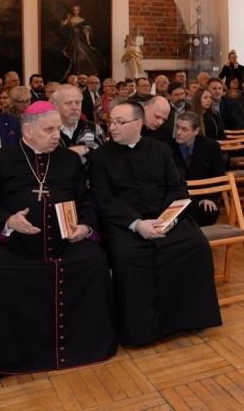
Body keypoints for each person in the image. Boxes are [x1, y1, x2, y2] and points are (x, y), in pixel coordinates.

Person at [0, 101, 116, 381]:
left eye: (58, 128)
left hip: (63, 242)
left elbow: (87, 200)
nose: (56, 135)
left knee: (95, 260)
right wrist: (9, 221)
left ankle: (86, 346)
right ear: (28, 131)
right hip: (15, 246)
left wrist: (84, 225)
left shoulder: (69, 160)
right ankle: (4, 354)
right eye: (49, 130)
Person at [87, 101, 222, 346]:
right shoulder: (100, 157)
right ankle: (141, 330)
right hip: (125, 224)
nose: (112, 128)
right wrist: (137, 224)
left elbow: (177, 187)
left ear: (137, 124)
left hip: (165, 218)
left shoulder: (160, 149)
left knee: (195, 245)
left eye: (119, 122)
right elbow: (103, 199)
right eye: (111, 122)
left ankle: (190, 318)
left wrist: (167, 220)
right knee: (127, 256)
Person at [168, 111, 225, 226]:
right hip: (179, 196)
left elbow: (218, 174)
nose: (178, 132)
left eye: (184, 129)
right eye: (177, 127)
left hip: (204, 194)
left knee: (209, 212)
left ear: (196, 131)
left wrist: (210, 197)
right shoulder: (168, 147)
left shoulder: (211, 146)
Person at [52, 84, 105, 162]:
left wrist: (86, 149)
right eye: (68, 103)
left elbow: (105, 157)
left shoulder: (94, 129)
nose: (74, 107)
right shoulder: (49, 132)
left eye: (77, 103)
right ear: (56, 106)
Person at [60, 5, 107, 79]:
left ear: (79, 11)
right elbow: (63, 25)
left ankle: (83, 74)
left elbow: (86, 31)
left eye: (77, 10)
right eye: (74, 10)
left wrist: (88, 40)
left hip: (80, 40)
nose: (75, 12)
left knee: (82, 55)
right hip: (72, 40)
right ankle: (75, 75)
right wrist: (68, 18)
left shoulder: (82, 20)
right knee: (74, 57)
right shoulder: (70, 19)